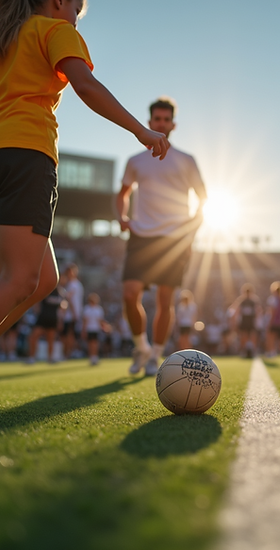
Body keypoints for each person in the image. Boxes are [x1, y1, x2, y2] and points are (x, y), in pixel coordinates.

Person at [0, 0, 169, 418]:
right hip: (25, 154)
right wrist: (139, 128)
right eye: (77, 10)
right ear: (59, 2)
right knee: (18, 278)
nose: (75, 19)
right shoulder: (54, 30)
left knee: (44, 278)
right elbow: (85, 86)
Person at [117, 96, 205, 376]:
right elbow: (123, 194)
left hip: (174, 239)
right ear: (149, 122)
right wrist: (122, 215)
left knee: (165, 301)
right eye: (157, 119)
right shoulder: (136, 161)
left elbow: (203, 200)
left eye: (167, 119)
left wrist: (190, 231)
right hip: (142, 235)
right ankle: (140, 346)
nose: (162, 123)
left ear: (173, 124)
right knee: (130, 294)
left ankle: (155, 354)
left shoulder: (187, 160)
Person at [26, 285, 63, 364]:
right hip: (43, 317)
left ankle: (50, 358)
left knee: (50, 339)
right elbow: (37, 303)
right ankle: (31, 358)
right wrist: (38, 312)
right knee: (33, 337)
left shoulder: (59, 292)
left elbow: (61, 307)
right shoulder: (45, 290)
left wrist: (60, 320)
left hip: (53, 319)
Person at [230, 283, 259, 359]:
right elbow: (237, 311)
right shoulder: (241, 300)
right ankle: (243, 351)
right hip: (244, 321)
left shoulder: (254, 301)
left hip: (251, 321)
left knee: (253, 336)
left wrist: (257, 320)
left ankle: (254, 350)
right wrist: (235, 322)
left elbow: (257, 311)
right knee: (244, 336)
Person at [60, 263, 83, 359]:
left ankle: (68, 353)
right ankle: (66, 354)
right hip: (70, 315)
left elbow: (72, 300)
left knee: (71, 335)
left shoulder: (74, 284)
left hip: (73, 314)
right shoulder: (71, 285)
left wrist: (75, 313)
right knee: (68, 335)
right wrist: (74, 313)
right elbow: (69, 300)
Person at [81, 292, 110, 365]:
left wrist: (105, 327)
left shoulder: (99, 309)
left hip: (96, 329)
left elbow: (100, 320)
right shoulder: (87, 309)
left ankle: (95, 357)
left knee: (95, 344)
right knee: (90, 344)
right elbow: (85, 321)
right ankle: (91, 357)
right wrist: (83, 330)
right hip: (89, 329)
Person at [264, 281, 280, 358]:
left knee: (270, 337)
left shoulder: (273, 299)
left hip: (274, 322)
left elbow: (273, 312)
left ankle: (272, 352)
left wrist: (270, 322)